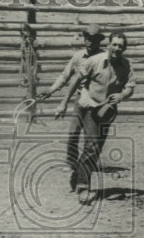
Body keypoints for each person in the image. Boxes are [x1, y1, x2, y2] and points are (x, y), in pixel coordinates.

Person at [56, 31, 135, 203]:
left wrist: (122, 96)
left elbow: (130, 86)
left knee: (96, 149)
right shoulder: (95, 61)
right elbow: (76, 80)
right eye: (114, 44)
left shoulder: (126, 65)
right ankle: (83, 188)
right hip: (89, 106)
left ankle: (78, 172)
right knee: (90, 146)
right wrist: (63, 102)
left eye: (120, 46)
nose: (117, 48)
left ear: (124, 48)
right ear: (109, 45)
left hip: (107, 111)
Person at [38, 23, 105, 189]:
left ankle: (87, 166)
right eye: (87, 38)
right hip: (80, 100)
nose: (89, 42)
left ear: (99, 41)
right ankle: (72, 162)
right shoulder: (78, 56)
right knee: (73, 131)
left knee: (94, 137)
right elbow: (65, 75)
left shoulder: (104, 57)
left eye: (93, 39)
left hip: (97, 102)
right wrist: (51, 90)